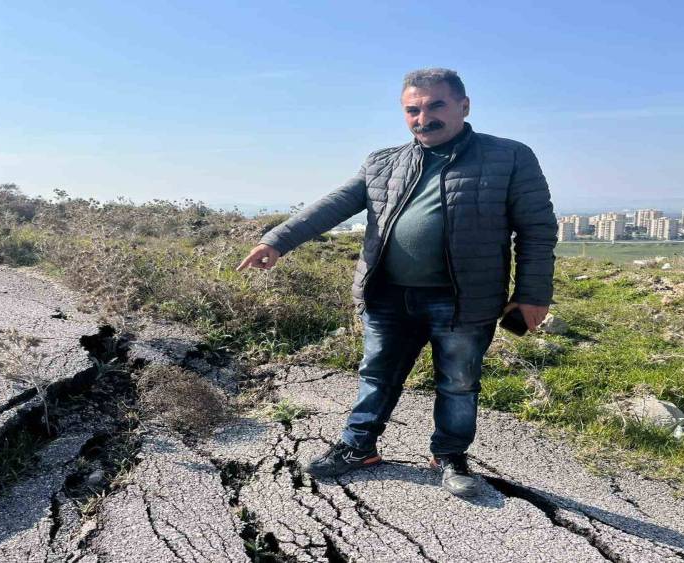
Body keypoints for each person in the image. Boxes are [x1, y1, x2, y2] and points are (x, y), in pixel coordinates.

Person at [236, 68, 557, 496]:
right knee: (376, 375)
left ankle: (449, 456)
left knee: (459, 383)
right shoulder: (383, 162)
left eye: (436, 105)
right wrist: (277, 240)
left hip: (463, 299)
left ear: (464, 106)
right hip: (387, 295)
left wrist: (532, 294)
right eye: (413, 110)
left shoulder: (510, 157)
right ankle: (358, 447)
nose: (424, 118)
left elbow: (537, 230)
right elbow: (334, 205)